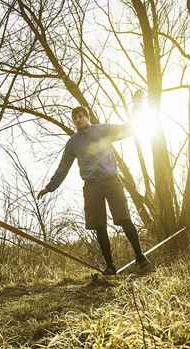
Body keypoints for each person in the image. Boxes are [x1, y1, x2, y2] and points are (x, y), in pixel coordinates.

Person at [37, 92, 151, 275]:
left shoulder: (103, 130)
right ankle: (110, 266)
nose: (78, 119)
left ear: (87, 117)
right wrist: (50, 187)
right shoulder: (73, 143)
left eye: (81, 116)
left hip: (111, 181)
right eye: (75, 117)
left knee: (123, 218)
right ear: (73, 121)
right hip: (91, 186)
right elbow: (63, 167)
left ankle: (141, 258)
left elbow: (129, 129)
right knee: (99, 225)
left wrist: (137, 106)